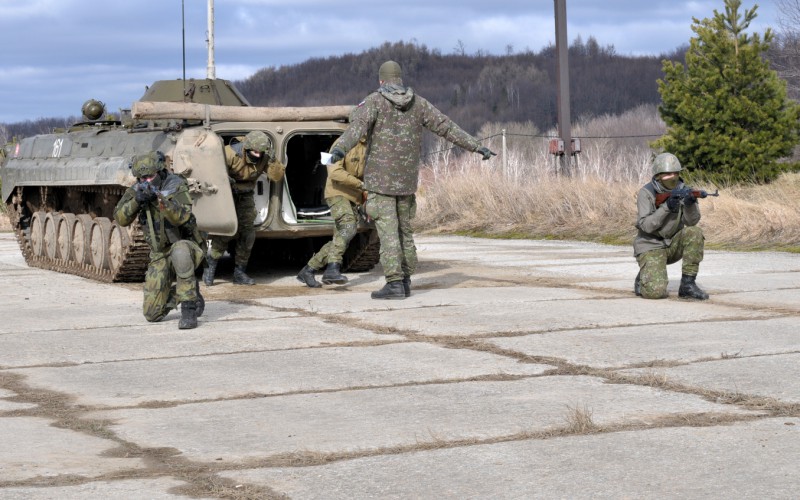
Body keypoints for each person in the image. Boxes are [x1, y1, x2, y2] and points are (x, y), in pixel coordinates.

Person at [328, 60, 496, 299]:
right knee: (405, 232)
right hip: (406, 182)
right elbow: (447, 127)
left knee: (388, 233)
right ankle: (405, 280)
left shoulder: (374, 102)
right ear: (400, 79)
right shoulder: (419, 104)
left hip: (380, 182)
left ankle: (394, 283)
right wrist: (478, 147)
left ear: (381, 80)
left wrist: (339, 150)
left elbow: (356, 128)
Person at [113, 151, 207, 329]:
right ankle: (184, 293)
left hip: (185, 245)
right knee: (152, 313)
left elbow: (181, 217)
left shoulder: (176, 185)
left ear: (159, 171)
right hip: (160, 253)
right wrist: (137, 201)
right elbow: (120, 218)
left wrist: (158, 200)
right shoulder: (137, 189)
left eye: (150, 177)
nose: (146, 181)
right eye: (142, 178)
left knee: (180, 251)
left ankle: (188, 309)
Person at [203, 131, 285, 286]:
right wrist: (224, 180)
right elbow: (210, 172)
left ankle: (240, 272)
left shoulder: (264, 157)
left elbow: (276, 176)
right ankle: (211, 266)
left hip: (246, 195)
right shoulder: (228, 154)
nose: (258, 155)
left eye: (261, 152)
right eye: (255, 151)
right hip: (226, 194)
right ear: (246, 148)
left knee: (248, 234)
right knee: (226, 231)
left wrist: (273, 159)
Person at [297, 129, 369, 288]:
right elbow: (335, 172)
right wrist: (362, 185)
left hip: (354, 197)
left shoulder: (369, 145)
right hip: (337, 193)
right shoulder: (341, 143)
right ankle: (332, 267)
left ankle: (308, 270)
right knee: (348, 227)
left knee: (341, 237)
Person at [634, 152, 709, 300]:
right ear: (657, 176)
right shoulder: (646, 193)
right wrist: (666, 207)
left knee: (695, 232)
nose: (672, 177)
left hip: (673, 242)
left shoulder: (685, 190)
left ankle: (688, 284)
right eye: (667, 175)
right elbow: (647, 226)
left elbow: (692, 222)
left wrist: (690, 204)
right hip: (650, 245)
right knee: (655, 293)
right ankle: (644, 274)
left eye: (675, 173)